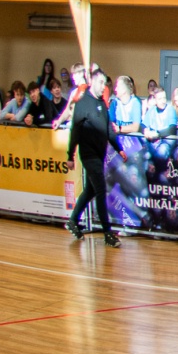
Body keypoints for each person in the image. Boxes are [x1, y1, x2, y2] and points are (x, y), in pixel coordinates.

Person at [64, 69, 116, 245]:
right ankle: (107, 233)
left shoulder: (101, 103)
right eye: (101, 83)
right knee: (100, 190)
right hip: (88, 155)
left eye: (105, 84)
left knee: (91, 190)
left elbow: (108, 129)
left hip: (99, 154)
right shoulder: (82, 103)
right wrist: (70, 155)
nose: (104, 87)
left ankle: (73, 220)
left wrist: (119, 148)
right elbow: (75, 130)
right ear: (92, 82)